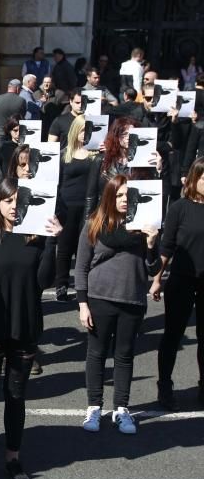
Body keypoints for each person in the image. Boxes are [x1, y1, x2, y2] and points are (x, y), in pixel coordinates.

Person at [0, 178, 62, 479]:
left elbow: (44, 280)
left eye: (20, 202)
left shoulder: (36, 235)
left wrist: (53, 240)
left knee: (16, 396)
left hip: (25, 326)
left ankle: (12, 457)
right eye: (8, 201)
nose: (14, 207)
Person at [75, 175, 159, 435]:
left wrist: (151, 244)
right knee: (97, 354)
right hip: (100, 298)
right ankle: (94, 407)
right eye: (119, 195)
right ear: (110, 196)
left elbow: (154, 268)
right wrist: (83, 304)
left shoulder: (146, 226)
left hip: (131, 299)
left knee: (124, 356)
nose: (124, 200)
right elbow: (81, 266)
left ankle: (122, 408)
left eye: (129, 196)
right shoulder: (95, 223)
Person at [151, 157, 204, 410]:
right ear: (194, 179)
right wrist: (157, 278)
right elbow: (167, 246)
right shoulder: (180, 208)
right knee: (173, 334)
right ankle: (164, 385)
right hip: (182, 278)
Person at [55, 116, 96, 301]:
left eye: (88, 131)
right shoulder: (65, 154)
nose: (85, 134)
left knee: (85, 247)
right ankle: (61, 284)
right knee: (64, 247)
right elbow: (57, 182)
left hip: (88, 206)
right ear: (75, 131)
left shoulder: (96, 155)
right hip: (67, 205)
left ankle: (83, 284)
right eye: (82, 130)